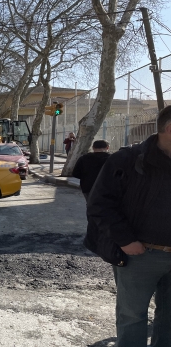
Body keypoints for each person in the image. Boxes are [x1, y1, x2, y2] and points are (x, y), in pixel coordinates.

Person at [86, 106, 171, 347]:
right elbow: (100, 204)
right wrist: (124, 240)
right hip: (141, 255)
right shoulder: (128, 159)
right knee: (133, 316)